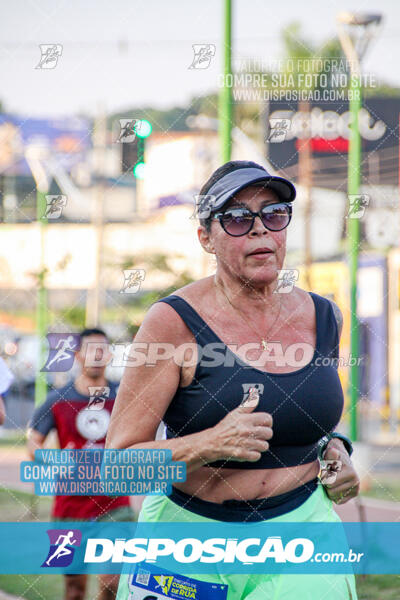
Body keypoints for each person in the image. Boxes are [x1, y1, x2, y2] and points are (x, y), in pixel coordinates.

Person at [107, 161, 361, 600]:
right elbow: (118, 469)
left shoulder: (324, 316)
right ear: (206, 237)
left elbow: (303, 411)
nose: (261, 230)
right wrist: (209, 444)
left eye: (274, 214)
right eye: (239, 218)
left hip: (302, 532)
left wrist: (333, 448)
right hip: (188, 536)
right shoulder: (172, 322)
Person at [28, 327, 134, 600]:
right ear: (78, 355)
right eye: (90, 349)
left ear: (110, 355)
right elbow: (33, 444)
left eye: (103, 349)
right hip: (69, 506)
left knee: (112, 581)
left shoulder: (125, 398)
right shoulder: (57, 400)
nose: (97, 356)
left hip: (115, 504)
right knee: (74, 588)